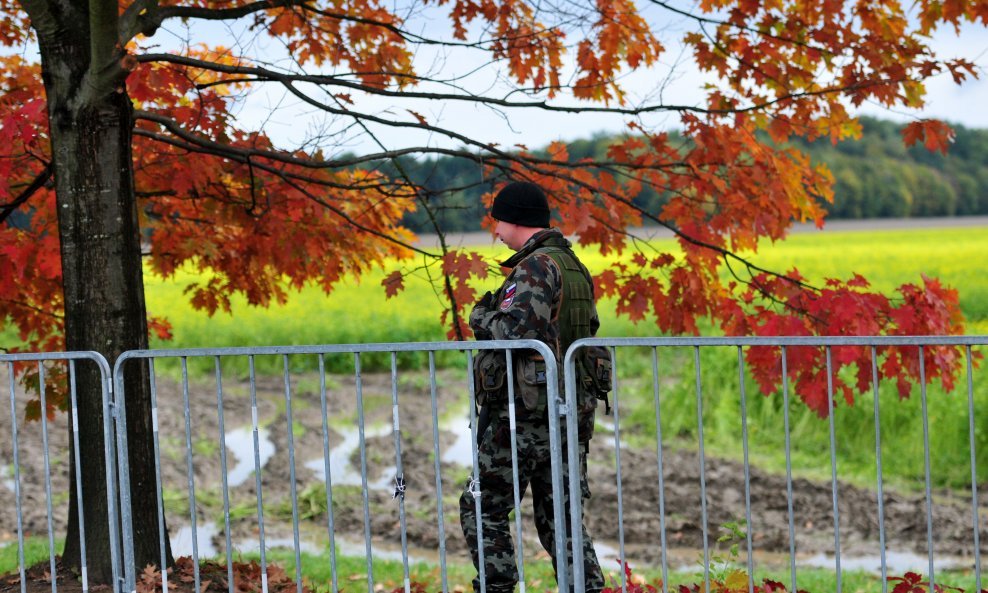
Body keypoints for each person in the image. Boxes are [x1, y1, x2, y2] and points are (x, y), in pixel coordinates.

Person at [459, 180, 605, 593]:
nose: (496, 231)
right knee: (560, 516)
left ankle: (498, 587)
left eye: (498, 221)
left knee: (482, 505)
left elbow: (514, 333)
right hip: (568, 410)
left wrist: (479, 315)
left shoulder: (536, 267)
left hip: (523, 415)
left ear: (513, 219)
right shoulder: (572, 265)